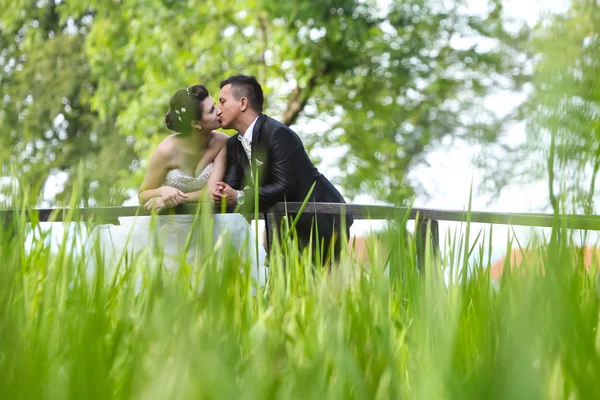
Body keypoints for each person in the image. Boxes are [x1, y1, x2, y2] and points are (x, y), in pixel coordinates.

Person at [86, 84, 267, 286]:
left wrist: (172, 199)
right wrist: (163, 190)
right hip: (167, 230)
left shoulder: (221, 142)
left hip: (206, 230)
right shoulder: (166, 150)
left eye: (215, 104)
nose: (219, 110)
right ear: (196, 123)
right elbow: (143, 194)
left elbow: (211, 193)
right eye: (211, 110)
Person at [211, 75, 353, 264]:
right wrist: (221, 193)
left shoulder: (279, 134)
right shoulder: (234, 145)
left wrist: (238, 196)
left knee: (311, 288)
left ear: (243, 103)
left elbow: (284, 186)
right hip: (283, 226)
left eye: (222, 102)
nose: (218, 110)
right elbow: (232, 186)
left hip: (321, 220)